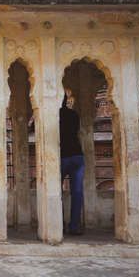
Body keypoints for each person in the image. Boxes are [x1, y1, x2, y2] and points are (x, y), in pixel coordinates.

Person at [59, 93, 85, 235]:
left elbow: (32, 128)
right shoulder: (74, 115)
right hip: (77, 156)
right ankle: (74, 227)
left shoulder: (52, 115)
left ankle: (60, 225)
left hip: (62, 157)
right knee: (77, 192)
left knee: (57, 193)